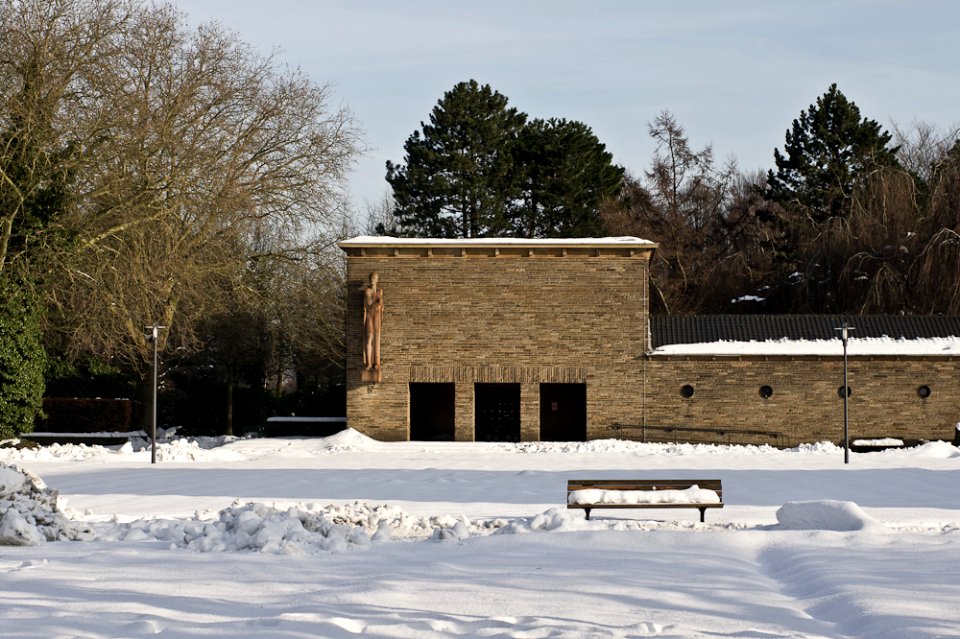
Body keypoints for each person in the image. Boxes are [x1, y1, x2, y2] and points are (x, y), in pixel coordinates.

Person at [362, 272, 383, 370]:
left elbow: (381, 306)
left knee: (376, 339)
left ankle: (376, 362)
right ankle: (369, 363)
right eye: (371, 278)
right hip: (370, 316)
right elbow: (369, 306)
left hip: (377, 317)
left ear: (377, 279)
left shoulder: (380, 291)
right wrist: (377, 304)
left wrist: (380, 304)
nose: (372, 280)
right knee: (369, 338)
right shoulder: (368, 291)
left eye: (374, 278)